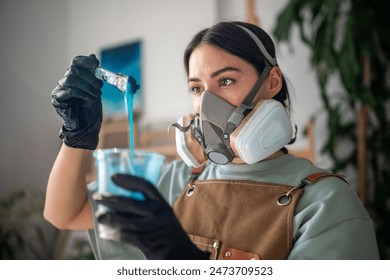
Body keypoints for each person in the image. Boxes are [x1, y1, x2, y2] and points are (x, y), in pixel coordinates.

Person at [44, 21, 380, 260]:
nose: (207, 103)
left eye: (227, 80)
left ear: (272, 82)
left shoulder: (325, 202)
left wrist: (182, 258)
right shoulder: (174, 180)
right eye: (196, 88)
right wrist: (77, 138)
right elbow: (66, 214)